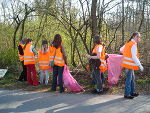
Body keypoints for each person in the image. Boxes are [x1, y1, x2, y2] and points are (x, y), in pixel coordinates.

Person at [120, 32, 144, 99]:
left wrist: (126, 53)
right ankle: (127, 94)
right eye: (137, 37)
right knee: (129, 79)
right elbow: (134, 56)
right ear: (133, 36)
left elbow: (121, 50)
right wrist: (140, 65)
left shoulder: (128, 43)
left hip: (128, 64)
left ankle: (132, 92)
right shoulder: (133, 44)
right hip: (130, 65)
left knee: (132, 79)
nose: (138, 38)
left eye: (139, 37)